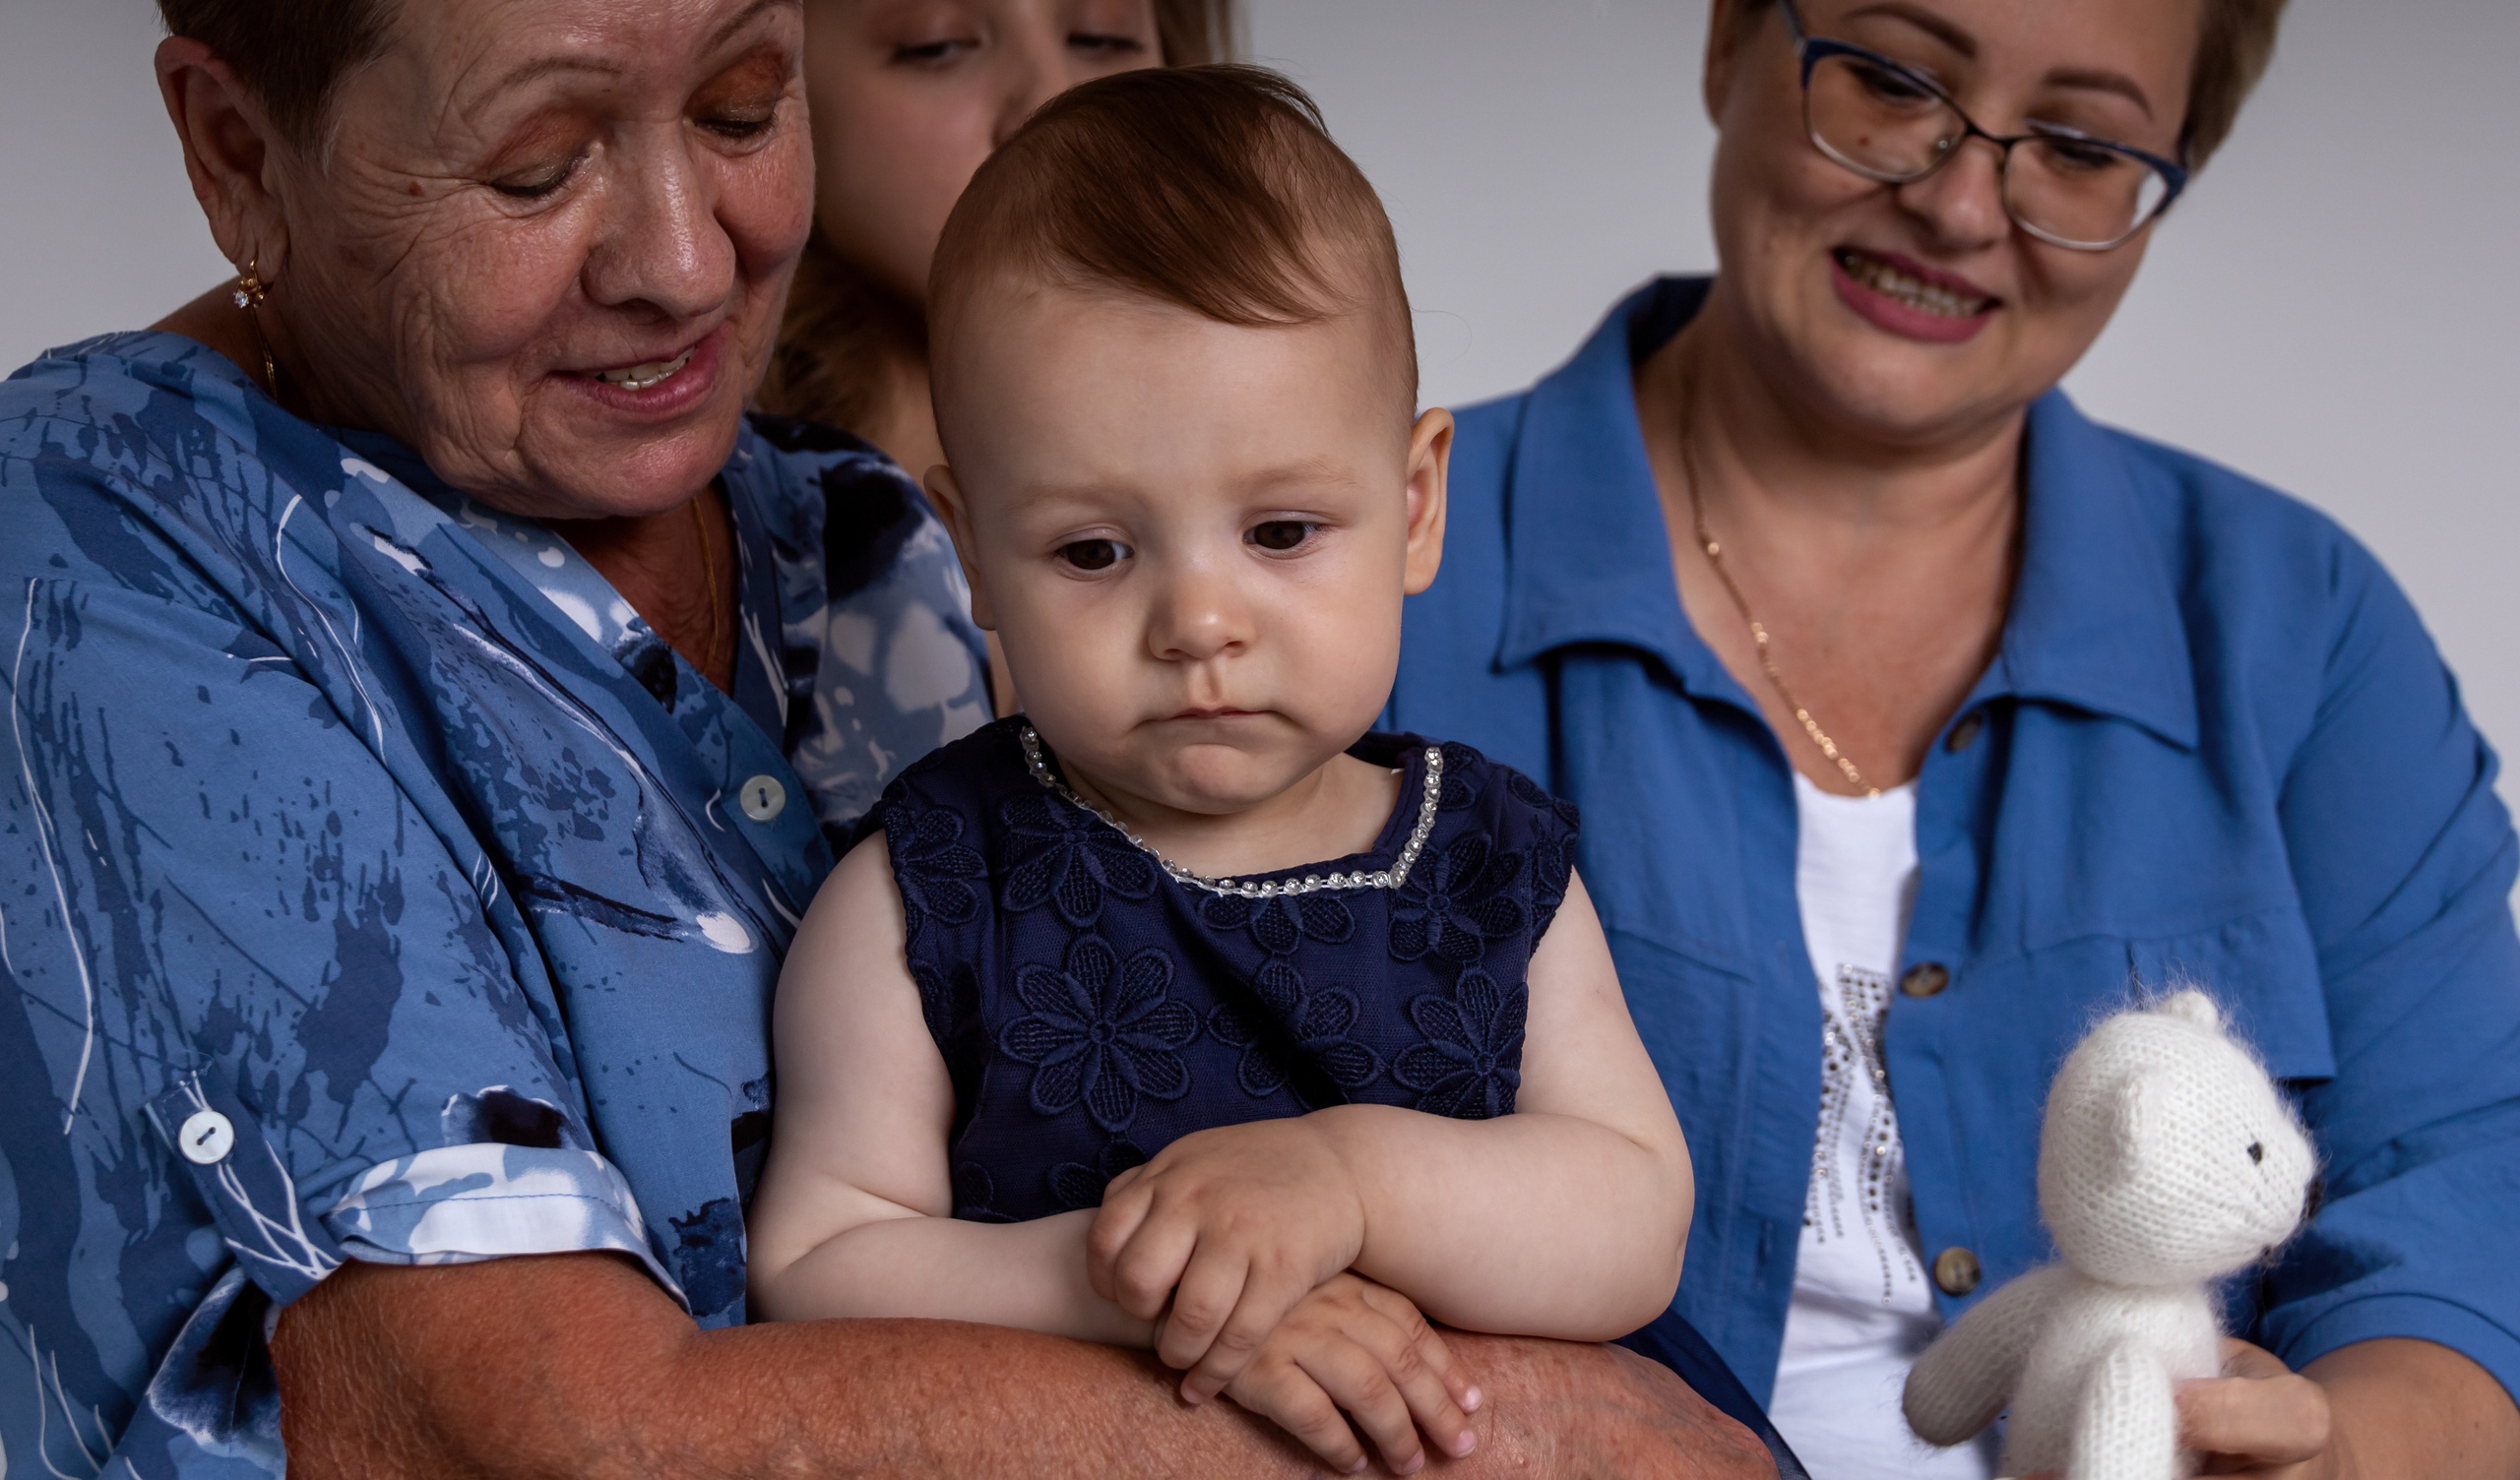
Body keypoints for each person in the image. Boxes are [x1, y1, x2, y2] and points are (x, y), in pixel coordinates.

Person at [0, 1, 1775, 1476]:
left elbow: (1630, 1203)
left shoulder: (865, 546)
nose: (685, 261)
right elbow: (564, 1415)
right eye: (536, 165)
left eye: (743, 104)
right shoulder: (129, 548)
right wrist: (1389, 1379)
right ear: (237, 152)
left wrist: (1358, 1199)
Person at [1390, 0, 2520, 1476]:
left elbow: (2467, 1199)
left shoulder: (2302, 630)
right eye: (1891, 78)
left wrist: (2338, 1451)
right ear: (1730, 40)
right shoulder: (1341, 580)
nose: (1962, 203)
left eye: (2082, 147)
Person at [745, 68, 1694, 1480]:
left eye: (1283, 531)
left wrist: (1347, 1185)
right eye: (1093, 551)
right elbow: (817, 1262)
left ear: (1415, 505)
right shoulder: (929, 895)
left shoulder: (1490, 869)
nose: (1198, 622)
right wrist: (1133, 1286)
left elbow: (1635, 1220)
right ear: (973, 550)